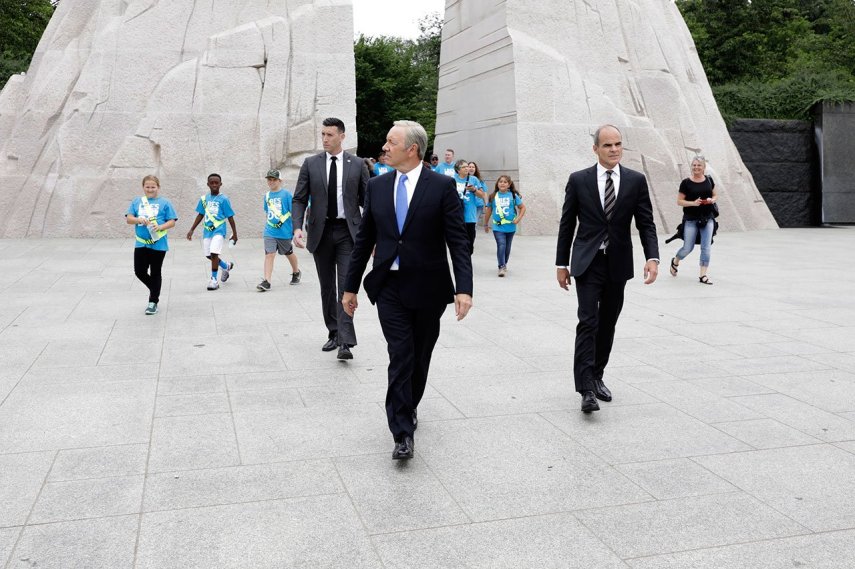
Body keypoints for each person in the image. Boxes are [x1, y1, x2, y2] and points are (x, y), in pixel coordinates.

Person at [342, 120, 473, 460]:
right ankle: (401, 431)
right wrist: (350, 287)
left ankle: (409, 404)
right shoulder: (379, 186)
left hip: (429, 287)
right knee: (400, 354)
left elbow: (458, 241)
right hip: (389, 286)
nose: (384, 147)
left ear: (411, 149)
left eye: (390, 141)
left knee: (420, 355)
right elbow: (365, 240)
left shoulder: (441, 186)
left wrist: (464, 289)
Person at [555, 124, 659, 413]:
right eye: (607, 145)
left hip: (618, 262)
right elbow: (567, 224)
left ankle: (598, 374)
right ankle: (586, 387)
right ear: (595, 149)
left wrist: (653, 257)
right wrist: (561, 263)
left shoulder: (636, 180)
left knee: (608, 323)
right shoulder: (579, 180)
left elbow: (646, 223)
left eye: (618, 144)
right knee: (588, 321)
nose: (614, 149)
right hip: (587, 262)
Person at [292, 117, 369, 360]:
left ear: (342, 136)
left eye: (330, 135)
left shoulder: (357, 165)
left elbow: (368, 202)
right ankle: (334, 332)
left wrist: (374, 234)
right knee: (327, 287)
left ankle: (346, 341)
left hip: (348, 233)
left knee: (346, 285)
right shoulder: (311, 164)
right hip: (320, 233)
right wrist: (296, 227)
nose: (325, 139)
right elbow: (299, 198)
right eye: (323, 134)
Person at [125, 175, 178, 315]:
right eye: (147, 187)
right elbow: (129, 219)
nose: (150, 189)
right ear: (143, 187)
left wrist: (160, 227)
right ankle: (155, 289)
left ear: (158, 187)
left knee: (155, 272)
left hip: (158, 244)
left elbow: (172, 221)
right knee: (139, 271)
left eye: (153, 187)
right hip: (141, 243)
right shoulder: (137, 201)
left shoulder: (165, 202)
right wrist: (138, 219)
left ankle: (153, 301)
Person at [669, 155, 718, 284]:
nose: (696, 167)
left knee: (706, 247)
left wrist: (712, 200)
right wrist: (693, 203)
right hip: (691, 219)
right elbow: (679, 201)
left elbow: (715, 194)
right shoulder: (686, 183)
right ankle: (675, 261)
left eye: (699, 165)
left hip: (708, 218)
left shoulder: (709, 180)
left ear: (704, 167)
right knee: (687, 248)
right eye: (694, 165)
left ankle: (703, 275)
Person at [186, 173, 238, 290]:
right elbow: (200, 214)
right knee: (208, 255)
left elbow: (230, 217)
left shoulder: (224, 199)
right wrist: (192, 229)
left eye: (216, 182)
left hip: (219, 230)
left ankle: (214, 280)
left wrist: (235, 233)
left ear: (220, 184)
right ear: (208, 184)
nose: (214, 185)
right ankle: (226, 266)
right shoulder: (204, 199)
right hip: (207, 231)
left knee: (214, 253)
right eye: (212, 183)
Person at [258, 169, 301, 292]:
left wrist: (294, 230)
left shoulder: (286, 194)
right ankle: (267, 281)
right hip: (270, 231)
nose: (271, 182)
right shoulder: (266, 196)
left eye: (274, 179)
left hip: (284, 231)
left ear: (279, 181)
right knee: (269, 254)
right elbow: (268, 212)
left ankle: (296, 272)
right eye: (269, 179)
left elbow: (293, 212)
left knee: (288, 253)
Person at [485, 175, 526, 276]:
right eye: (500, 181)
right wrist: (486, 224)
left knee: (507, 248)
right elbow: (489, 211)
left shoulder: (513, 196)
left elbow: (523, 208)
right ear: (497, 184)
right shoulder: (493, 196)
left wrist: (518, 219)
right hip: (498, 227)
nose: (502, 183)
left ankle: (504, 263)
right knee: (501, 245)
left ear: (509, 184)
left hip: (510, 227)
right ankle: (501, 266)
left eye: (505, 182)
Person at [453, 159, 486, 253]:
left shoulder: (473, 179)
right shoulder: (452, 179)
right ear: (458, 170)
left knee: (469, 245)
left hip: (470, 216)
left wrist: (474, 190)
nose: (467, 168)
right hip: (456, 216)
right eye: (464, 167)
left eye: (467, 166)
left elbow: (482, 194)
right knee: (457, 244)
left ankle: (466, 261)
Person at [467, 161, 488, 226]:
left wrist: (486, 205)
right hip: (468, 205)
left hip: (478, 205)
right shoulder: (464, 179)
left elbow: (484, 193)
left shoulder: (480, 181)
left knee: (473, 223)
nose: (471, 168)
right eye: (469, 167)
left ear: (475, 169)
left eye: (473, 167)